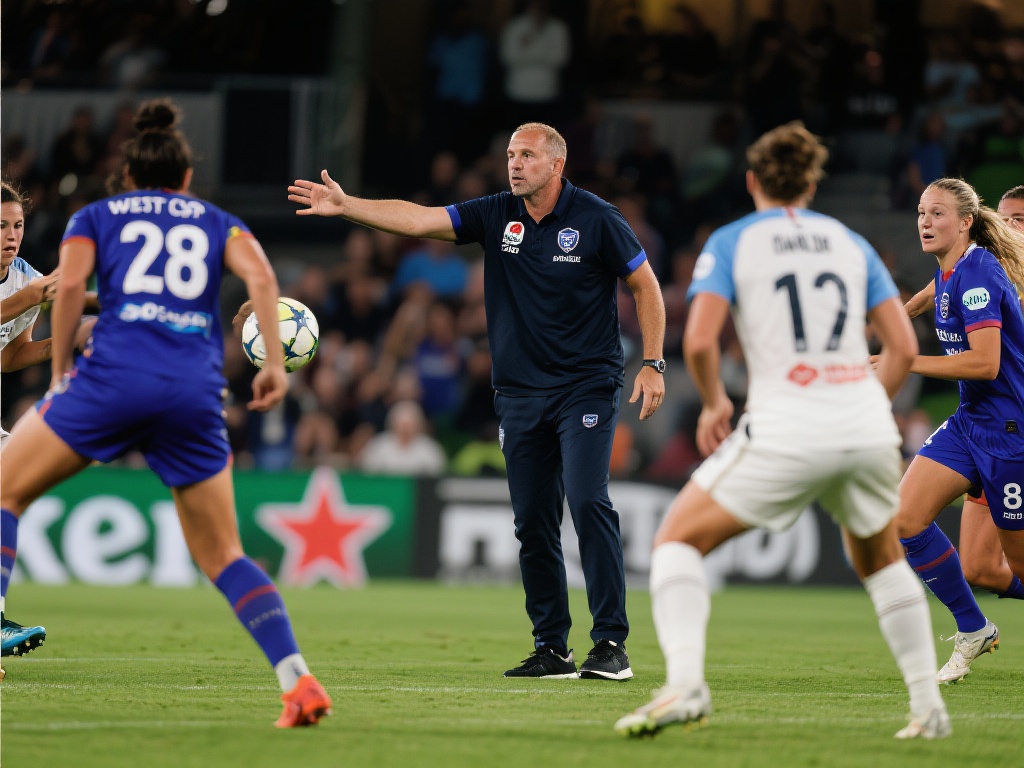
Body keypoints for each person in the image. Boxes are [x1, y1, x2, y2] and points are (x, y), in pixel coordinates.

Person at [289, 121, 667, 681]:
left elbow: (646, 285)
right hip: (518, 393)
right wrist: (348, 206)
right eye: (511, 154)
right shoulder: (496, 214)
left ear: (556, 164)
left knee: (588, 501)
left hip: (585, 386)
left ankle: (611, 643)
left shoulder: (597, 218)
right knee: (532, 523)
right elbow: (418, 219)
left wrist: (654, 363)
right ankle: (552, 648)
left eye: (527, 155)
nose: (515, 163)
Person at [0, 99, 331, 727]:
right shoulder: (218, 221)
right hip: (192, 391)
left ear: (127, 175)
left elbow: (66, 292)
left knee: (3, 492)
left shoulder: (95, 217)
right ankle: (298, 681)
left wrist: (62, 371)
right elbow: (263, 279)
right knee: (224, 555)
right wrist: (268, 362)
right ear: (186, 177)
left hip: (112, 382)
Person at [615, 121, 949, 739]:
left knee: (676, 543)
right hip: (865, 425)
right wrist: (861, 405)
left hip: (789, 422)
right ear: (812, 185)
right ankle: (929, 708)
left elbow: (700, 341)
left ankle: (685, 686)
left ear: (751, 181)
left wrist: (714, 403)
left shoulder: (734, 240)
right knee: (881, 561)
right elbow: (903, 347)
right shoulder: (850, 243)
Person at [892, 181, 1024, 685]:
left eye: (937, 213)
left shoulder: (980, 274)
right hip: (971, 422)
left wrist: (904, 359)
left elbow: (986, 364)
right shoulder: (952, 267)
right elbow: (935, 292)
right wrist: (899, 316)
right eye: (921, 211)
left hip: (1011, 432)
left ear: (966, 221)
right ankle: (973, 628)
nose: (925, 222)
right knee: (905, 518)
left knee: (1015, 564)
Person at [0, 180, 97, 674]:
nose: (11, 235)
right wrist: (35, 295)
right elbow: (33, 297)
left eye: (17, 225)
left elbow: (10, 355)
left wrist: (74, 336)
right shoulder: (30, 287)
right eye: (1, 226)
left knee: (7, 486)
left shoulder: (25, 278)